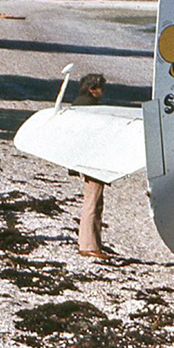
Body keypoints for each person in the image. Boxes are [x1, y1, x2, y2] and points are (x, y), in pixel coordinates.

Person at [73, 73, 111, 259]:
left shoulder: (79, 104)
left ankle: (91, 243)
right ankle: (89, 245)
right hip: (92, 160)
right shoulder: (90, 108)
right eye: (100, 88)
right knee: (93, 202)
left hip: (83, 158)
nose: (103, 92)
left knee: (93, 200)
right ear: (92, 89)